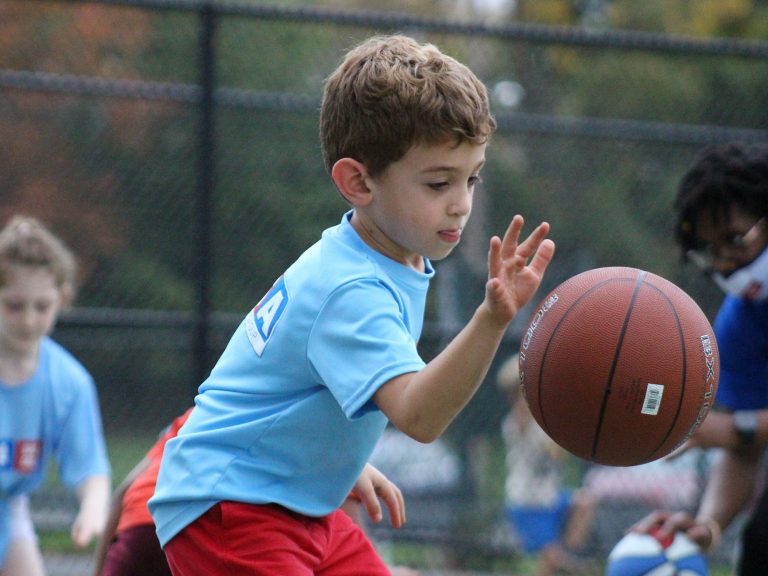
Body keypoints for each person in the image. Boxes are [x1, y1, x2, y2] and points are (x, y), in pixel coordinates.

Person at [148, 33, 555, 575]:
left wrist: (332, 463)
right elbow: (419, 416)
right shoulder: (351, 289)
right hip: (233, 507)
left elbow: (291, 384)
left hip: (288, 498)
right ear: (358, 182)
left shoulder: (384, 260)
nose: (461, 203)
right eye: (438, 183)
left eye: (471, 178)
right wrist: (491, 320)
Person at [631, 142, 768, 575]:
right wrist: (708, 525)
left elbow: (739, 432)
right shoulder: (742, 322)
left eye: (735, 240)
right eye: (710, 250)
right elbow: (744, 452)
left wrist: (735, 428)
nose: (725, 262)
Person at [93, 409, 417, 576]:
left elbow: (124, 492)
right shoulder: (322, 424)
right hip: (205, 522)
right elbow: (339, 533)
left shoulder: (210, 412)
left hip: (143, 527)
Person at [0, 215, 111, 576]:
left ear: (62, 299)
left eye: (42, 306)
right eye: (14, 305)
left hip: (9, 508)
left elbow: (90, 467)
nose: (29, 320)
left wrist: (93, 509)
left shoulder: (68, 383)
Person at [497, 354, 596, 576]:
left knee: (585, 501)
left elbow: (558, 453)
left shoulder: (546, 421)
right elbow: (517, 394)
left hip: (550, 496)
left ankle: (569, 554)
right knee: (548, 561)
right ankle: (571, 564)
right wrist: (530, 372)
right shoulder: (516, 422)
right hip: (527, 501)